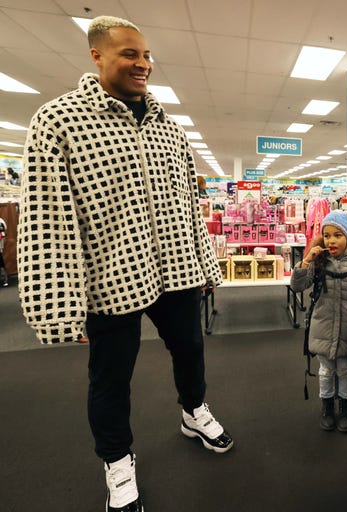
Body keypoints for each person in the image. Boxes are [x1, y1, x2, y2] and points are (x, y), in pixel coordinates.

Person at [18, 15, 232, 512]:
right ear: (96, 56)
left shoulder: (170, 130)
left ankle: (193, 411)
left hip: (178, 269)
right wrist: (58, 307)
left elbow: (187, 205)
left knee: (190, 351)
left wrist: (206, 267)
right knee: (111, 378)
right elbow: (49, 223)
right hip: (111, 278)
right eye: (129, 54)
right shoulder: (59, 122)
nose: (143, 64)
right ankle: (117, 460)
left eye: (147, 55)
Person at [290, 210, 347, 432]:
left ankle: (345, 406)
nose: (331, 240)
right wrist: (306, 261)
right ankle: (327, 406)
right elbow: (298, 286)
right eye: (327, 235)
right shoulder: (319, 261)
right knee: (326, 370)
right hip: (323, 325)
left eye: (337, 235)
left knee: (345, 370)